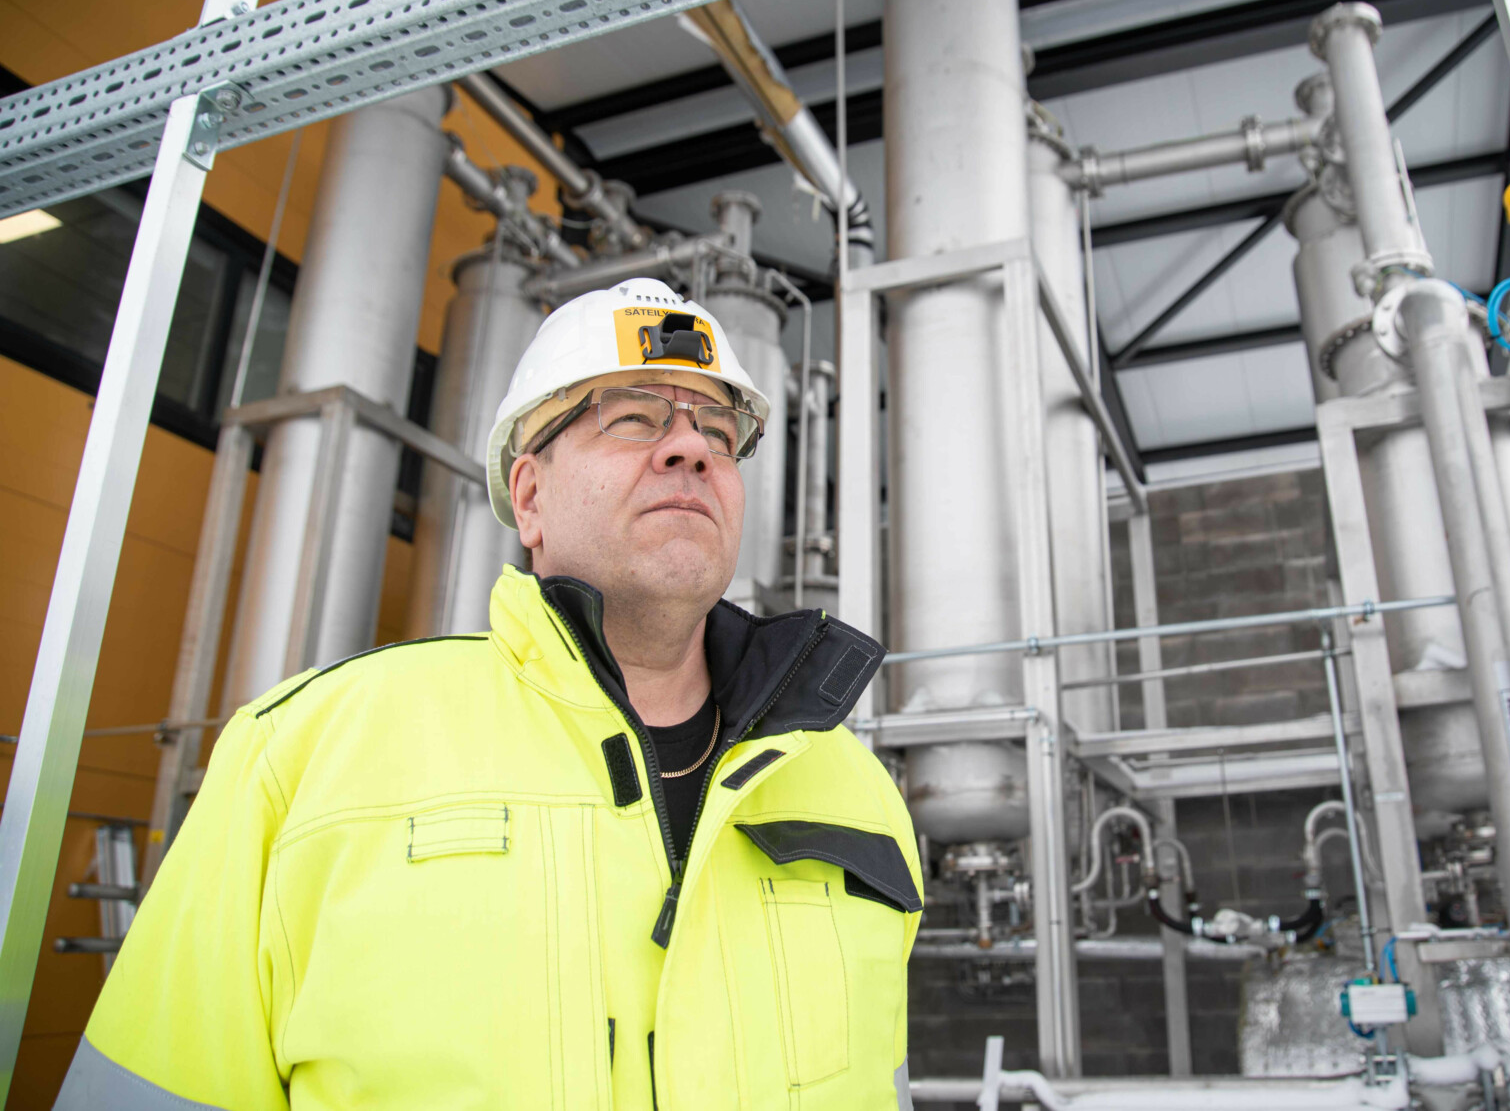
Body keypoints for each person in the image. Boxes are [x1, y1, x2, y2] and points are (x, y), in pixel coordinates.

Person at [56, 279, 921, 1110]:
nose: (691, 446)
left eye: (719, 434)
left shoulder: (859, 795)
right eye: (632, 418)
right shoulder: (305, 757)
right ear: (530, 497)